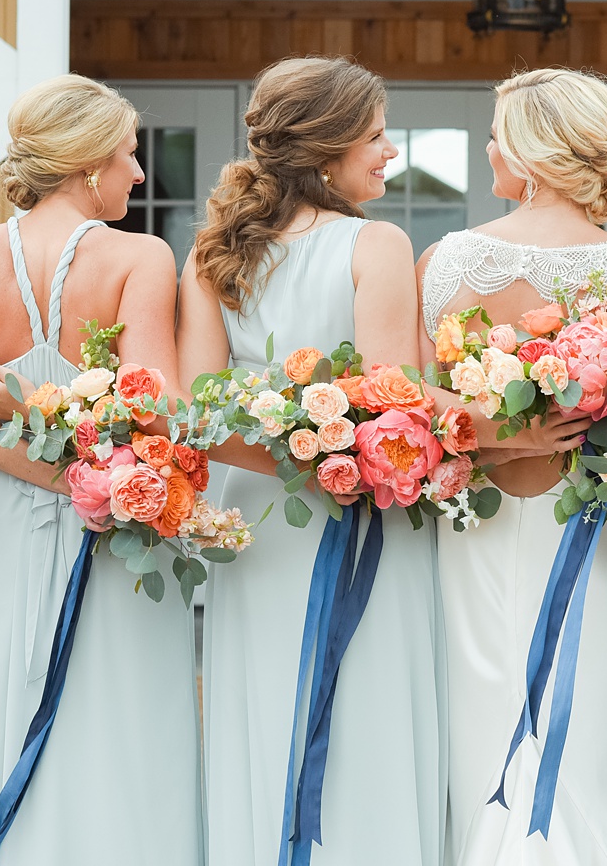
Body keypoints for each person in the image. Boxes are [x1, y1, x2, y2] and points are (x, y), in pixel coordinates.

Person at [0, 74, 201, 866]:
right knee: (122, 709)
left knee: (6, 689)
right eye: (130, 155)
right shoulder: (140, 256)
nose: (139, 173)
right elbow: (156, 408)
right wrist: (42, 413)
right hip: (116, 520)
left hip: (4, 513)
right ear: (88, 163)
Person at [176, 56, 442, 866]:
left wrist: (283, 449)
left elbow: (195, 416)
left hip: (251, 519)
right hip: (355, 513)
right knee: (367, 709)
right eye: (375, 135)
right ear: (327, 149)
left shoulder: (212, 253)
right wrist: (324, 454)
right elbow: (390, 408)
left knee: (265, 707)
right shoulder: (378, 243)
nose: (390, 151)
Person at [418, 68, 607, 865]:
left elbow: (416, 411)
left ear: (530, 150)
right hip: (592, 531)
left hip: (473, 533)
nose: (490, 145)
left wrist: (502, 432)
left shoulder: (448, 262)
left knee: (480, 729)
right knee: (588, 740)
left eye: (498, 132)